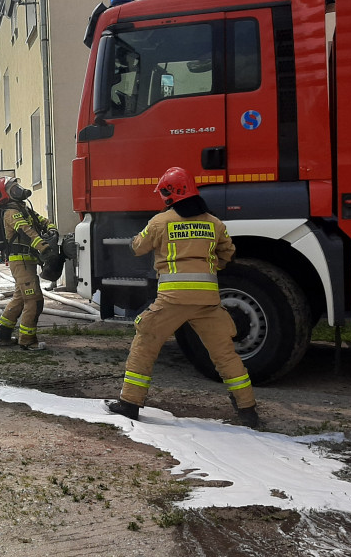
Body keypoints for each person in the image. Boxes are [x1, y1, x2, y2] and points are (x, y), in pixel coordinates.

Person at [105, 167, 259, 427]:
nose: (163, 197)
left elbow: (137, 247)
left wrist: (136, 240)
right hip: (208, 302)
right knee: (225, 354)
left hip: (172, 301)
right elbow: (228, 253)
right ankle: (248, 409)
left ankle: (130, 403)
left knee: (146, 342)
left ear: (172, 193)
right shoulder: (214, 223)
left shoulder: (161, 222)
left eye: (165, 192)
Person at [0, 176, 60, 350]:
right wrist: (44, 247)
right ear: (6, 195)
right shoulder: (11, 213)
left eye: (17, 187)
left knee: (20, 299)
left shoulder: (23, 209)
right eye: (13, 188)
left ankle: (2, 335)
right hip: (20, 261)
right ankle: (28, 341)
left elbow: (40, 221)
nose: (19, 190)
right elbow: (26, 231)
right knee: (34, 300)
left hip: (27, 260)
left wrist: (51, 227)